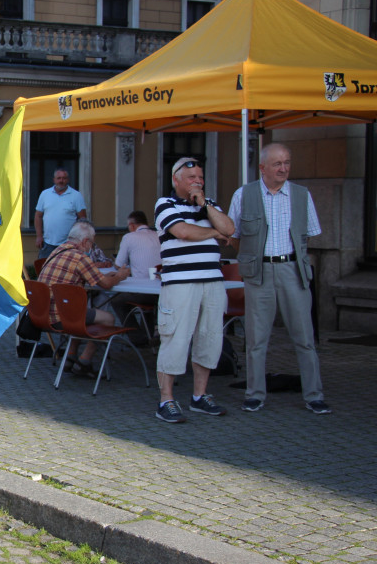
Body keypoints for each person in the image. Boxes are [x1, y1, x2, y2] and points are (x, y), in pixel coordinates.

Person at [228, 143, 329, 414]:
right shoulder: (243, 194)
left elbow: (308, 235)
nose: (283, 168)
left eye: (287, 162)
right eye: (277, 164)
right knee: (256, 338)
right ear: (262, 168)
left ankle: (314, 395)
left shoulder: (301, 194)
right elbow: (233, 236)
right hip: (258, 273)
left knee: (304, 337)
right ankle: (255, 394)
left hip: (292, 270)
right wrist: (252, 259)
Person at [153, 158, 235, 423]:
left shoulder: (210, 206)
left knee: (209, 339)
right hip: (180, 285)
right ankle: (166, 400)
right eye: (191, 178)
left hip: (212, 282)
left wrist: (205, 205)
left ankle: (200, 396)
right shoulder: (165, 205)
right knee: (174, 339)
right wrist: (213, 233)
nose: (197, 181)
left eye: (200, 177)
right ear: (176, 180)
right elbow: (183, 232)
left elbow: (230, 229)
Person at [37, 220, 131, 375]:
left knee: (81, 313)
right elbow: (106, 284)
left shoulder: (56, 252)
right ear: (85, 241)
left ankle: (70, 355)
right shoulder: (80, 257)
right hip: (61, 317)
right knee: (107, 318)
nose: (91, 247)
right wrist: (120, 276)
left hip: (42, 315)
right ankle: (84, 361)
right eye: (92, 244)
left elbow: (89, 276)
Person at [110, 210, 163, 336]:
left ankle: (136, 336)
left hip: (142, 290)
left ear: (132, 226)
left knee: (116, 301)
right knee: (147, 305)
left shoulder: (129, 237)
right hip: (162, 290)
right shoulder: (159, 235)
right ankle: (147, 334)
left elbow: (118, 265)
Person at [34, 169, 87, 258]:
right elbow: (38, 216)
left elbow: (83, 220)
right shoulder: (45, 194)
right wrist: (39, 236)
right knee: (45, 270)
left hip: (68, 244)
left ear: (68, 180)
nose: (61, 181)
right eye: (59, 178)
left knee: (66, 270)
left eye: (64, 178)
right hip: (47, 243)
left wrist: (79, 240)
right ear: (54, 180)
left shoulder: (76, 196)